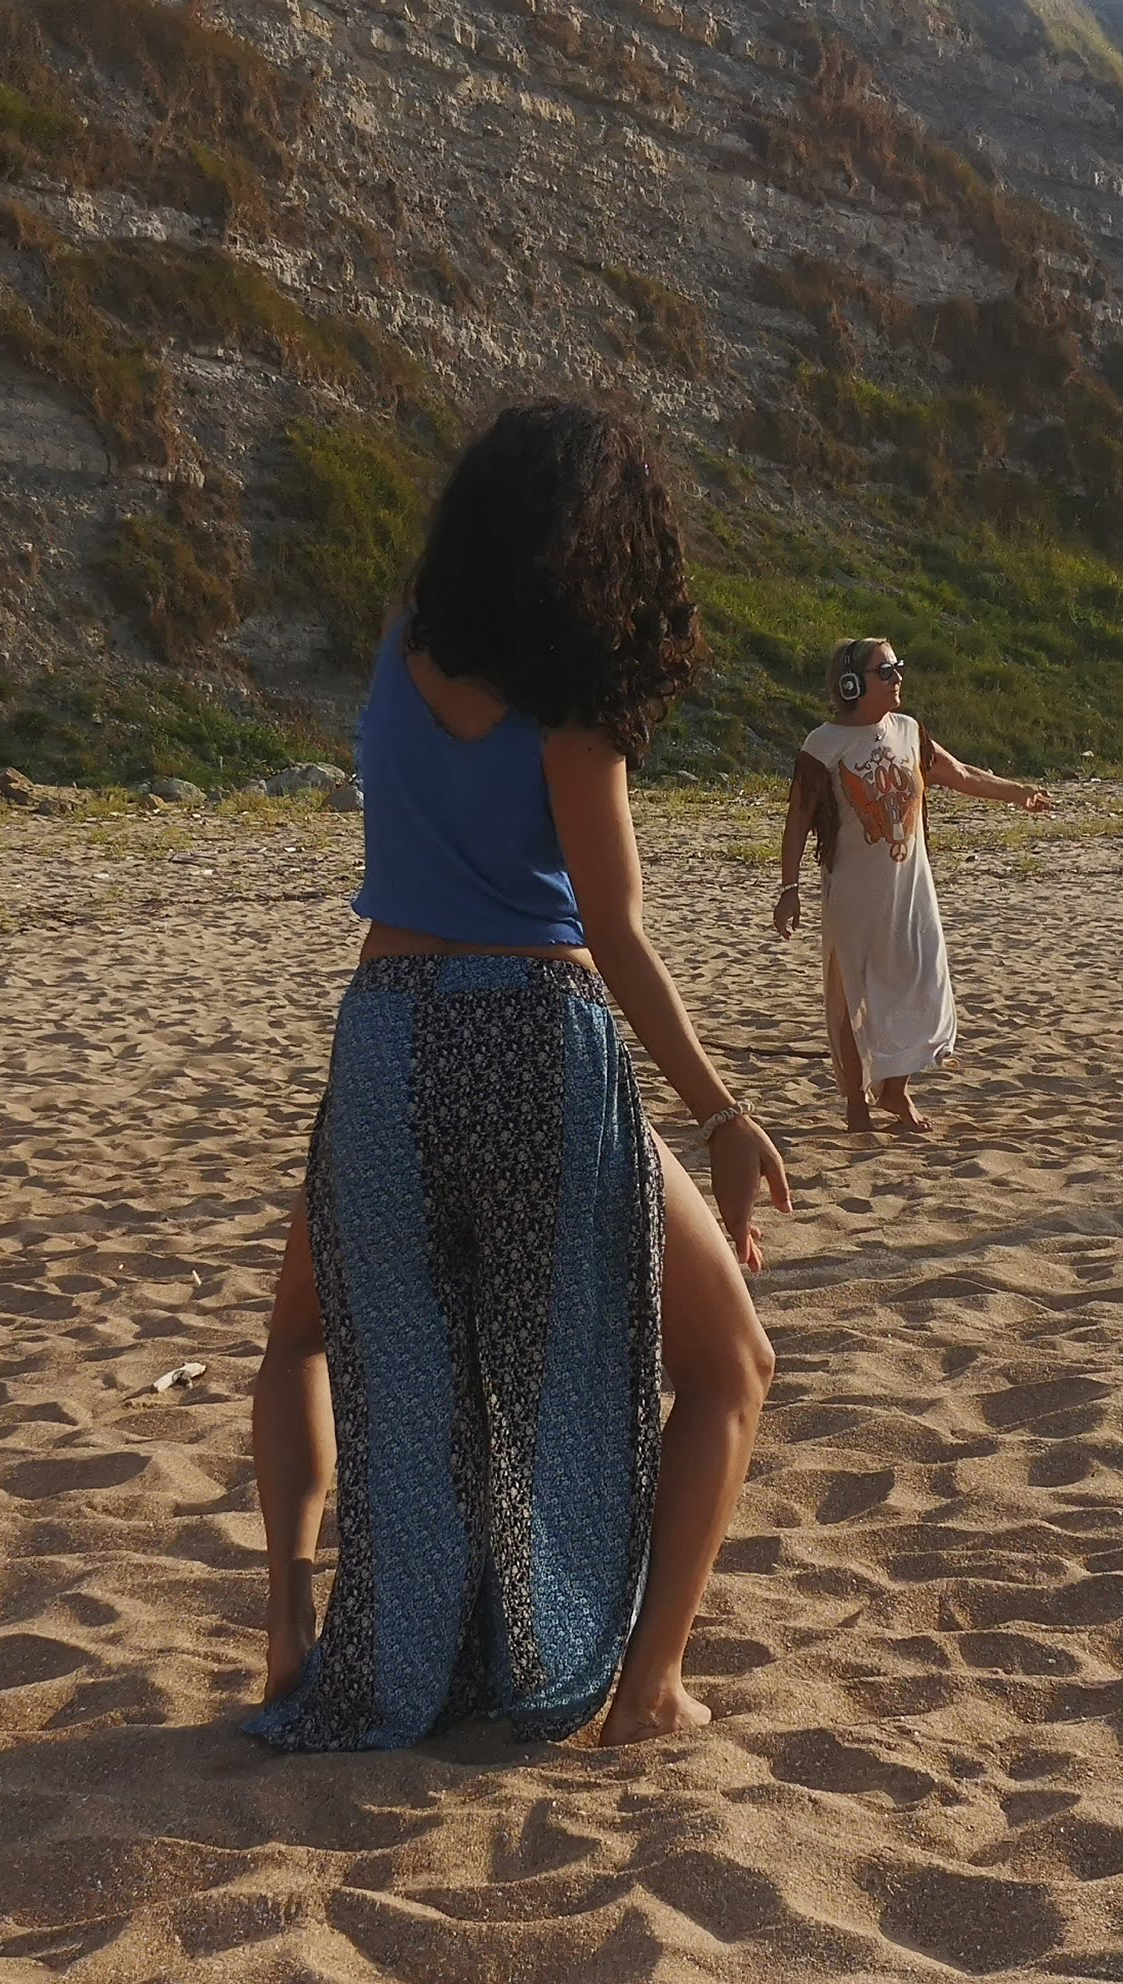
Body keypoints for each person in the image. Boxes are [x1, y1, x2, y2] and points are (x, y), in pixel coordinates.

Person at [248, 402, 789, 1754]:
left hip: (382, 1034)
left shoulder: (404, 632)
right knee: (730, 1365)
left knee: (303, 1329)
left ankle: (288, 1628)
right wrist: (720, 1112)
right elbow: (612, 932)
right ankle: (648, 1689)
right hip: (531, 1038)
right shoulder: (570, 702)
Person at [775, 637, 1051, 1133]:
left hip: (910, 887)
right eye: (887, 670)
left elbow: (961, 773)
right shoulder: (824, 744)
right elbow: (798, 818)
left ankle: (894, 1093)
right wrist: (788, 887)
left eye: (899, 667)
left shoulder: (907, 731)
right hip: (854, 894)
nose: (898, 677)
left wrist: (1018, 793)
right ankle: (857, 1102)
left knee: (916, 980)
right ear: (852, 683)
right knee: (853, 992)